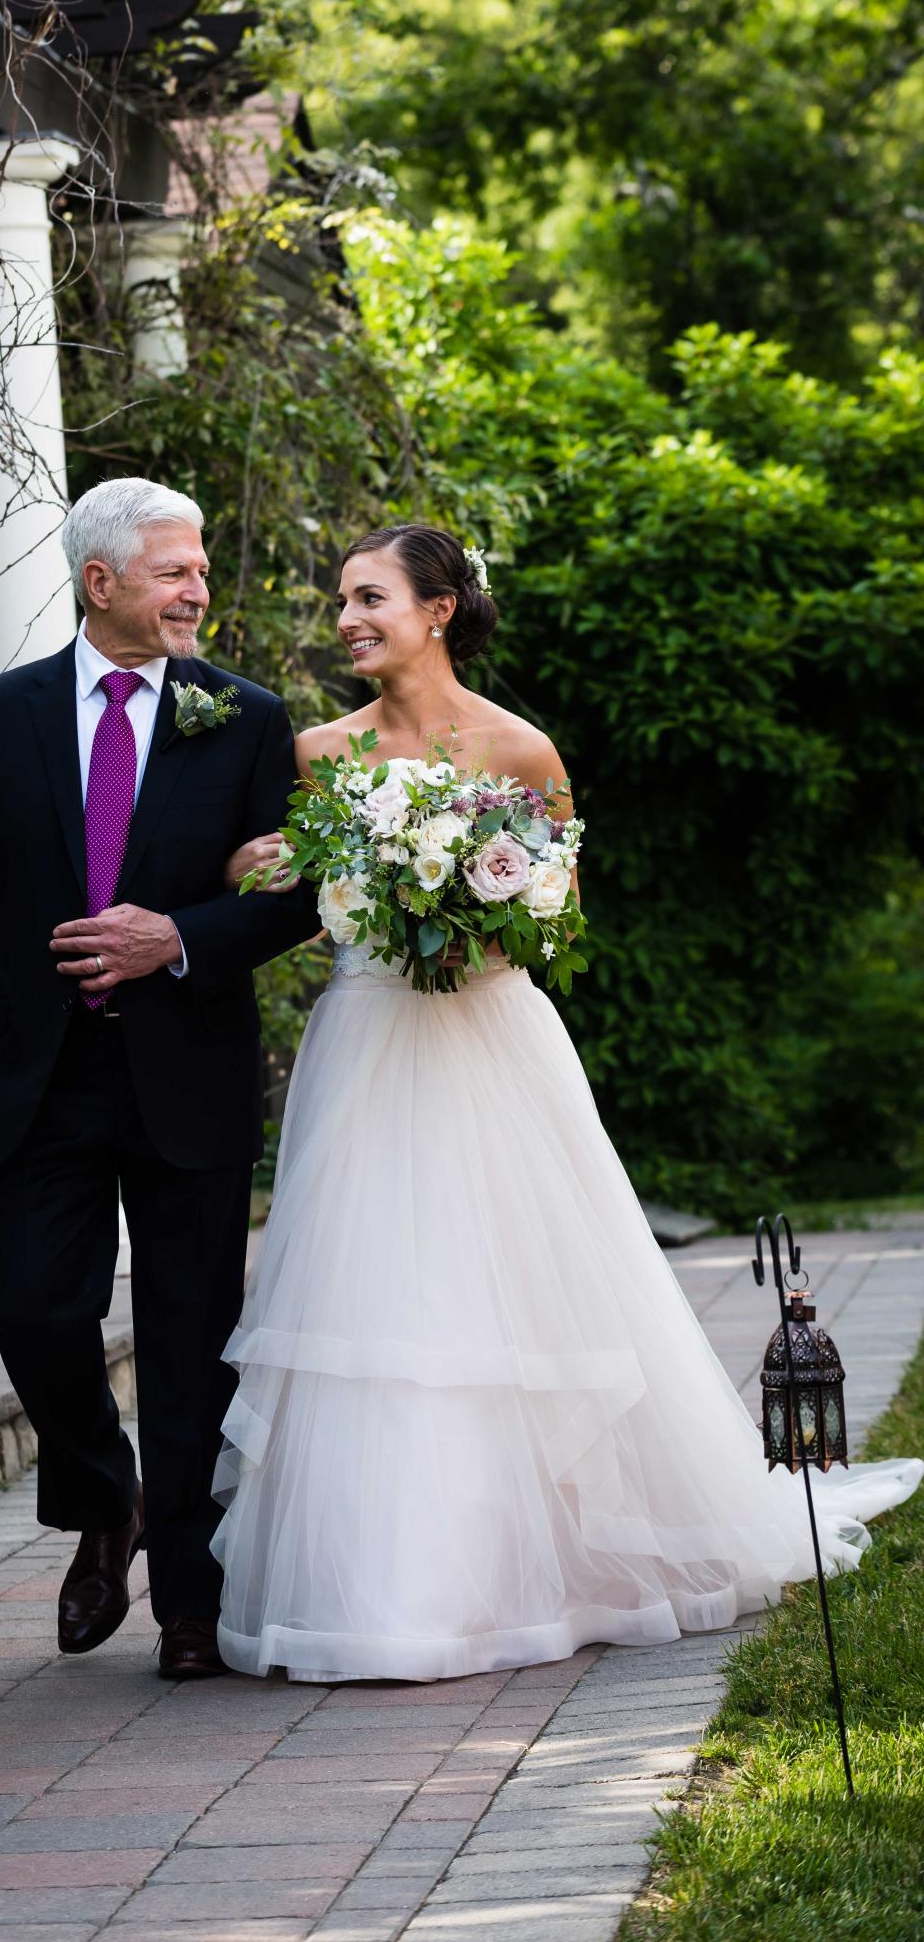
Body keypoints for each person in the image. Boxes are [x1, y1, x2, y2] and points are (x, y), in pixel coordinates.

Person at [214, 522, 921, 1683]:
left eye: (369, 597)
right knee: (377, 1288)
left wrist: (475, 915)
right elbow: (293, 885)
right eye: (341, 600)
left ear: (439, 609)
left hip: (491, 1043)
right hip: (368, 1043)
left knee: (511, 1286)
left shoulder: (521, 748)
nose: (346, 620)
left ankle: (549, 1560)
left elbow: (559, 914)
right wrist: (264, 868)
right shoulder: (321, 751)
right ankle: (389, 1585)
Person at [0, 477, 316, 1678]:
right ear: (102, 583)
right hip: (37, 1077)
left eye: (201, 571)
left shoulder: (245, 719)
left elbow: (295, 901)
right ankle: (108, 1500)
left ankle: (191, 1606)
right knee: (35, 1312)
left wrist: (175, 937)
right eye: (175, 571)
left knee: (192, 1340)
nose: (198, 590)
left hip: (187, 1071)